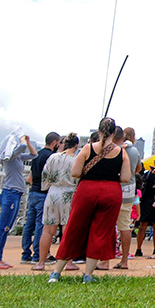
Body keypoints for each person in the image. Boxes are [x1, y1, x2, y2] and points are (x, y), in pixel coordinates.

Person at [48, 118, 130, 284]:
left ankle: (56, 273)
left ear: (99, 131)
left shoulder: (87, 148)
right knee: (100, 231)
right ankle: (88, 275)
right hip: (111, 192)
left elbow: (75, 172)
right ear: (114, 133)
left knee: (74, 227)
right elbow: (126, 177)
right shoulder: (121, 152)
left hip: (87, 190)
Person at [0, 132, 37, 269]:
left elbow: (34, 155)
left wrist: (28, 142)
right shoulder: (8, 158)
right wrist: (22, 140)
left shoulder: (17, 158)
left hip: (15, 193)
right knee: (2, 227)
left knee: (6, 228)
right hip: (10, 193)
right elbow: (21, 147)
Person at [33, 133, 80, 270]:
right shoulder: (76, 160)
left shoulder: (53, 157)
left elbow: (45, 175)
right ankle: (68, 262)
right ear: (76, 146)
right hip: (69, 192)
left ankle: (41, 262)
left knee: (47, 229)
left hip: (53, 192)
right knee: (67, 229)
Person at [21, 132, 59, 263]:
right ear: (54, 143)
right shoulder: (51, 157)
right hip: (43, 192)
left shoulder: (36, 155)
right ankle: (38, 255)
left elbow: (30, 177)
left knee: (29, 224)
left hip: (33, 192)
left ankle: (25, 254)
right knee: (40, 225)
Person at [115, 127, 141, 268]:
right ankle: (124, 260)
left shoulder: (116, 149)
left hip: (116, 186)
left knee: (109, 224)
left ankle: (104, 259)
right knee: (125, 225)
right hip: (130, 188)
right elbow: (138, 169)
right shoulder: (135, 151)